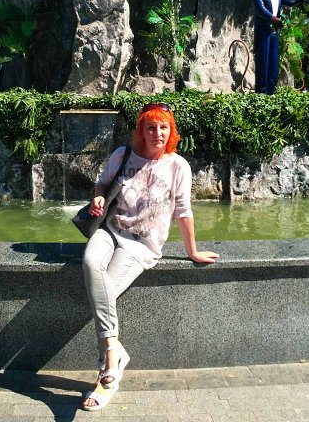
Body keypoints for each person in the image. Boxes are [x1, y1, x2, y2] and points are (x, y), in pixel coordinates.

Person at [81, 103, 219, 411]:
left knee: (104, 291)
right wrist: (98, 197)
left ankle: (107, 368)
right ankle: (113, 355)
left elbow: (183, 211)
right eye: (151, 127)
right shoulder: (123, 155)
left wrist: (192, 251)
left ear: (171, 131)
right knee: (90, 262)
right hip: (110, 229)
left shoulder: (178, 166)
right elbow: (101, 183)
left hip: (142, 244)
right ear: (142, 130)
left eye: (164, 127)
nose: (158, 133)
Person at [252, 0, 308, 95]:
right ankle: (261, 91)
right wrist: (274, 19)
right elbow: (261, 10)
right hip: (263, 32)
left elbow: (292, 1)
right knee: (263, 61)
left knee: (273, 61)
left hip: (274, 33)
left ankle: (271, 91)